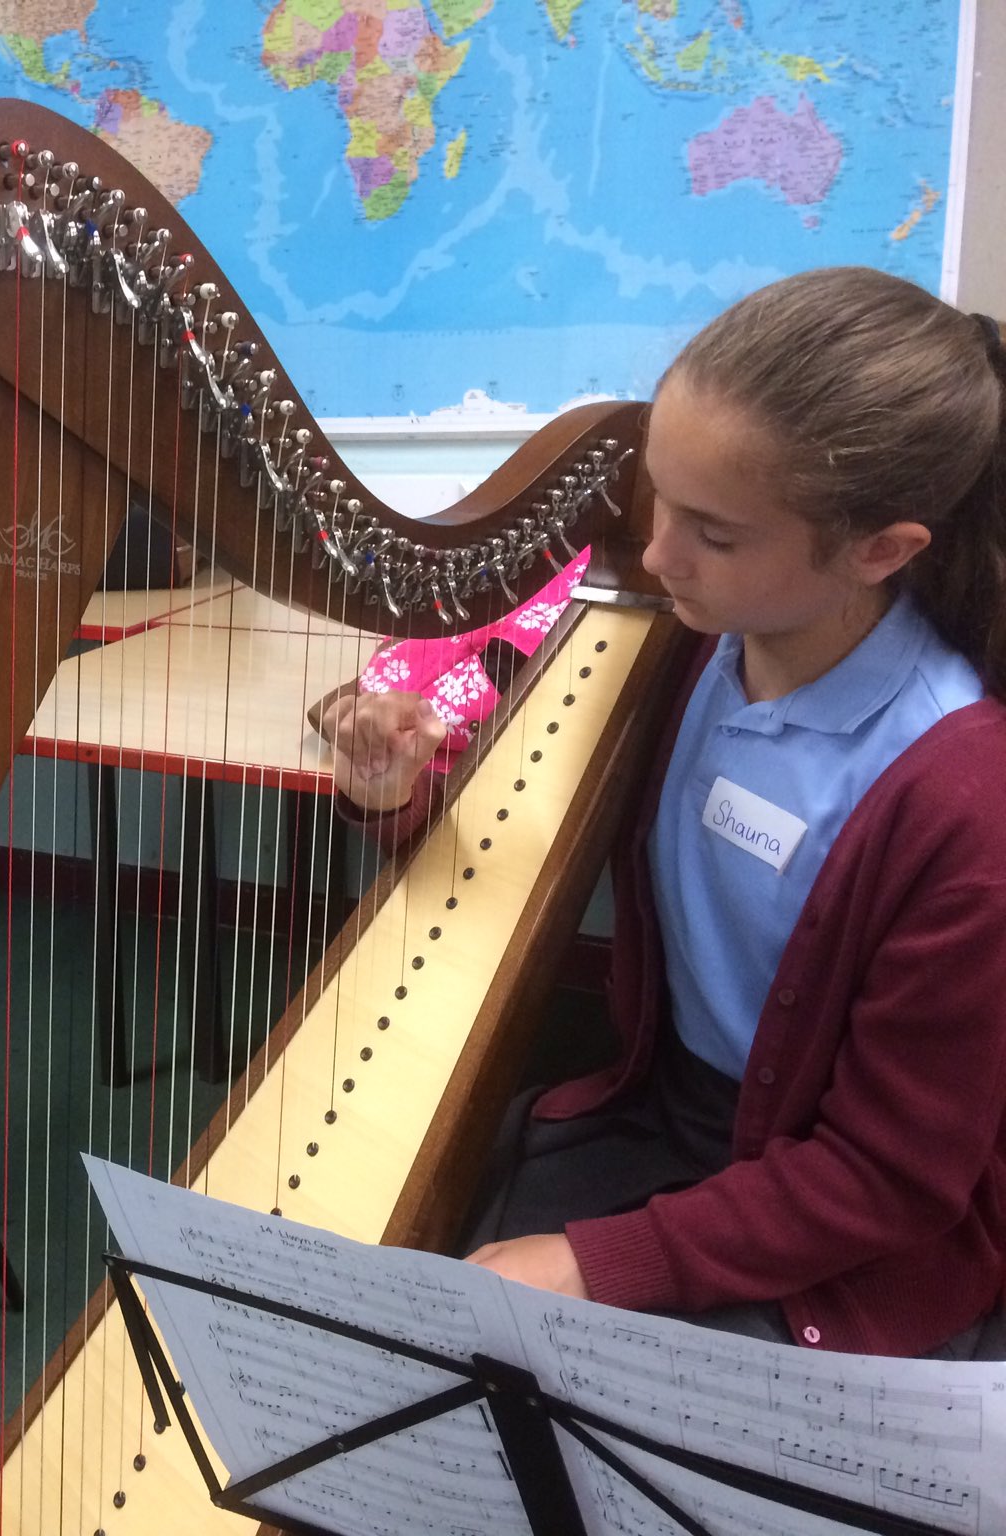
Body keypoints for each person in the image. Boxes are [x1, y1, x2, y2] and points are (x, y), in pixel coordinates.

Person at [317, 267, 1006, 1359]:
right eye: (655, 498)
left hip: (843, 1222)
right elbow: (523, 834)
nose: (652, 555)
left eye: (712, 532)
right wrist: (390, 792)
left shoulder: (959, 804)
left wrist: (600, 1262)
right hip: (664, 1109)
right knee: (410, 1321)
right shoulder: (691, 648)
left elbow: (887, 1177)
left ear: (880, 551)